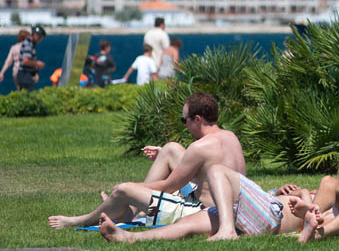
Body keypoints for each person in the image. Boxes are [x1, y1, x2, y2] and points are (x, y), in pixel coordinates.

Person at [48, 92, 246, 229]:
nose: (184, 125)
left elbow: (168, 187)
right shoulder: (230, 137)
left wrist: (130, 188)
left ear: (197, 119)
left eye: (184, 120)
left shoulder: (199, 147)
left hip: (202, 212)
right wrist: (164, 154)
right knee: (170, 149)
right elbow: (205, 168)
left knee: (123, 189)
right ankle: (128, 210)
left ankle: (82, 220)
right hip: (230, 208)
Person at [97, 164, 309, 242]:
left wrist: (305, 196)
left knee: (217, 170)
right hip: (254, 214)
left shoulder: (321, 201)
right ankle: (127, 237)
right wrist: (278, 190)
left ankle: (227, 231)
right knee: (185, 224)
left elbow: (313, 204)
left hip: (272, 214)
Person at [16, 25, 46, 91]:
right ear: (35, 35)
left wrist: (34, 72)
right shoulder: (28, 44)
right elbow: (26, 61)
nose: (40, 40)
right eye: (40, 37)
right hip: (24, 75)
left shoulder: (31, 44)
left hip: (26, 75)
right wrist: (37, 64)